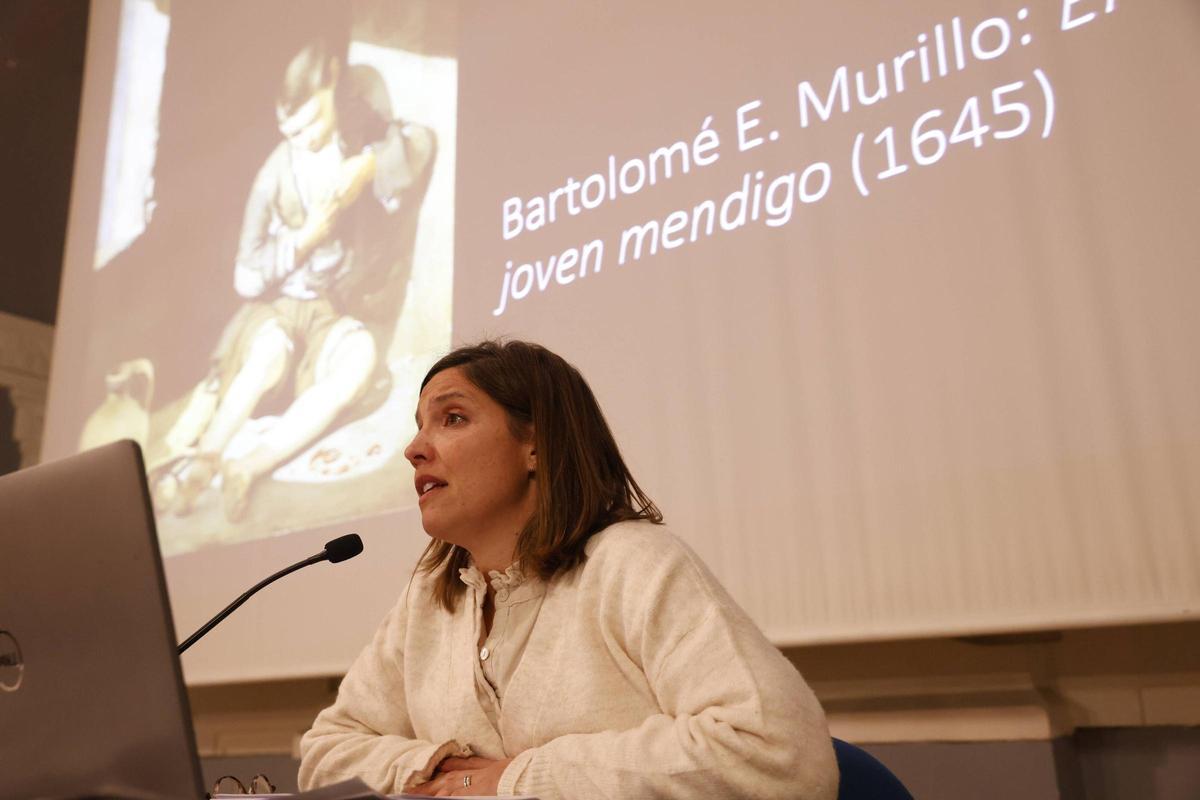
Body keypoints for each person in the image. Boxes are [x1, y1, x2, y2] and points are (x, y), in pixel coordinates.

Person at [298, 340, 838, 799]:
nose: (414, 449)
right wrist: (445, 771)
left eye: (452, 418)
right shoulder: (430, 597)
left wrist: (516, 779)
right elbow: (325, 753)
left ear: (536, 445)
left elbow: (777, 751)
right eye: (419, 427)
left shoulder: (631, 563)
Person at [158, 39, 436, 521]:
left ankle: (249, 466)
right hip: (280, 308)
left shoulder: (356, 135)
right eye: (290, 130)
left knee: (359, 361)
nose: (302, 137)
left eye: (309, 123)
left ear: (331, 87)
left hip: (332, 311)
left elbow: (421, 141)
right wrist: (302, 240)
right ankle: (203, 463)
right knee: (266, 354)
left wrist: (370, 163)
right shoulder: (274, 174)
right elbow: (246, 276)